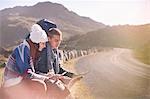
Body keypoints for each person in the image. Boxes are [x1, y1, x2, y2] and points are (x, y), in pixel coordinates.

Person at [2, 23, 49, 88]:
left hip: (20, 79)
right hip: (12, 82)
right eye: (43, 43)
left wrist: (48, 76)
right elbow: (26, 73)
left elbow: (32, 73)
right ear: (36, 43)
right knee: (41, 85)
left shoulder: (32, 51)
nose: (44, 46)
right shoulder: (23, 49)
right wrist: (45, 78)